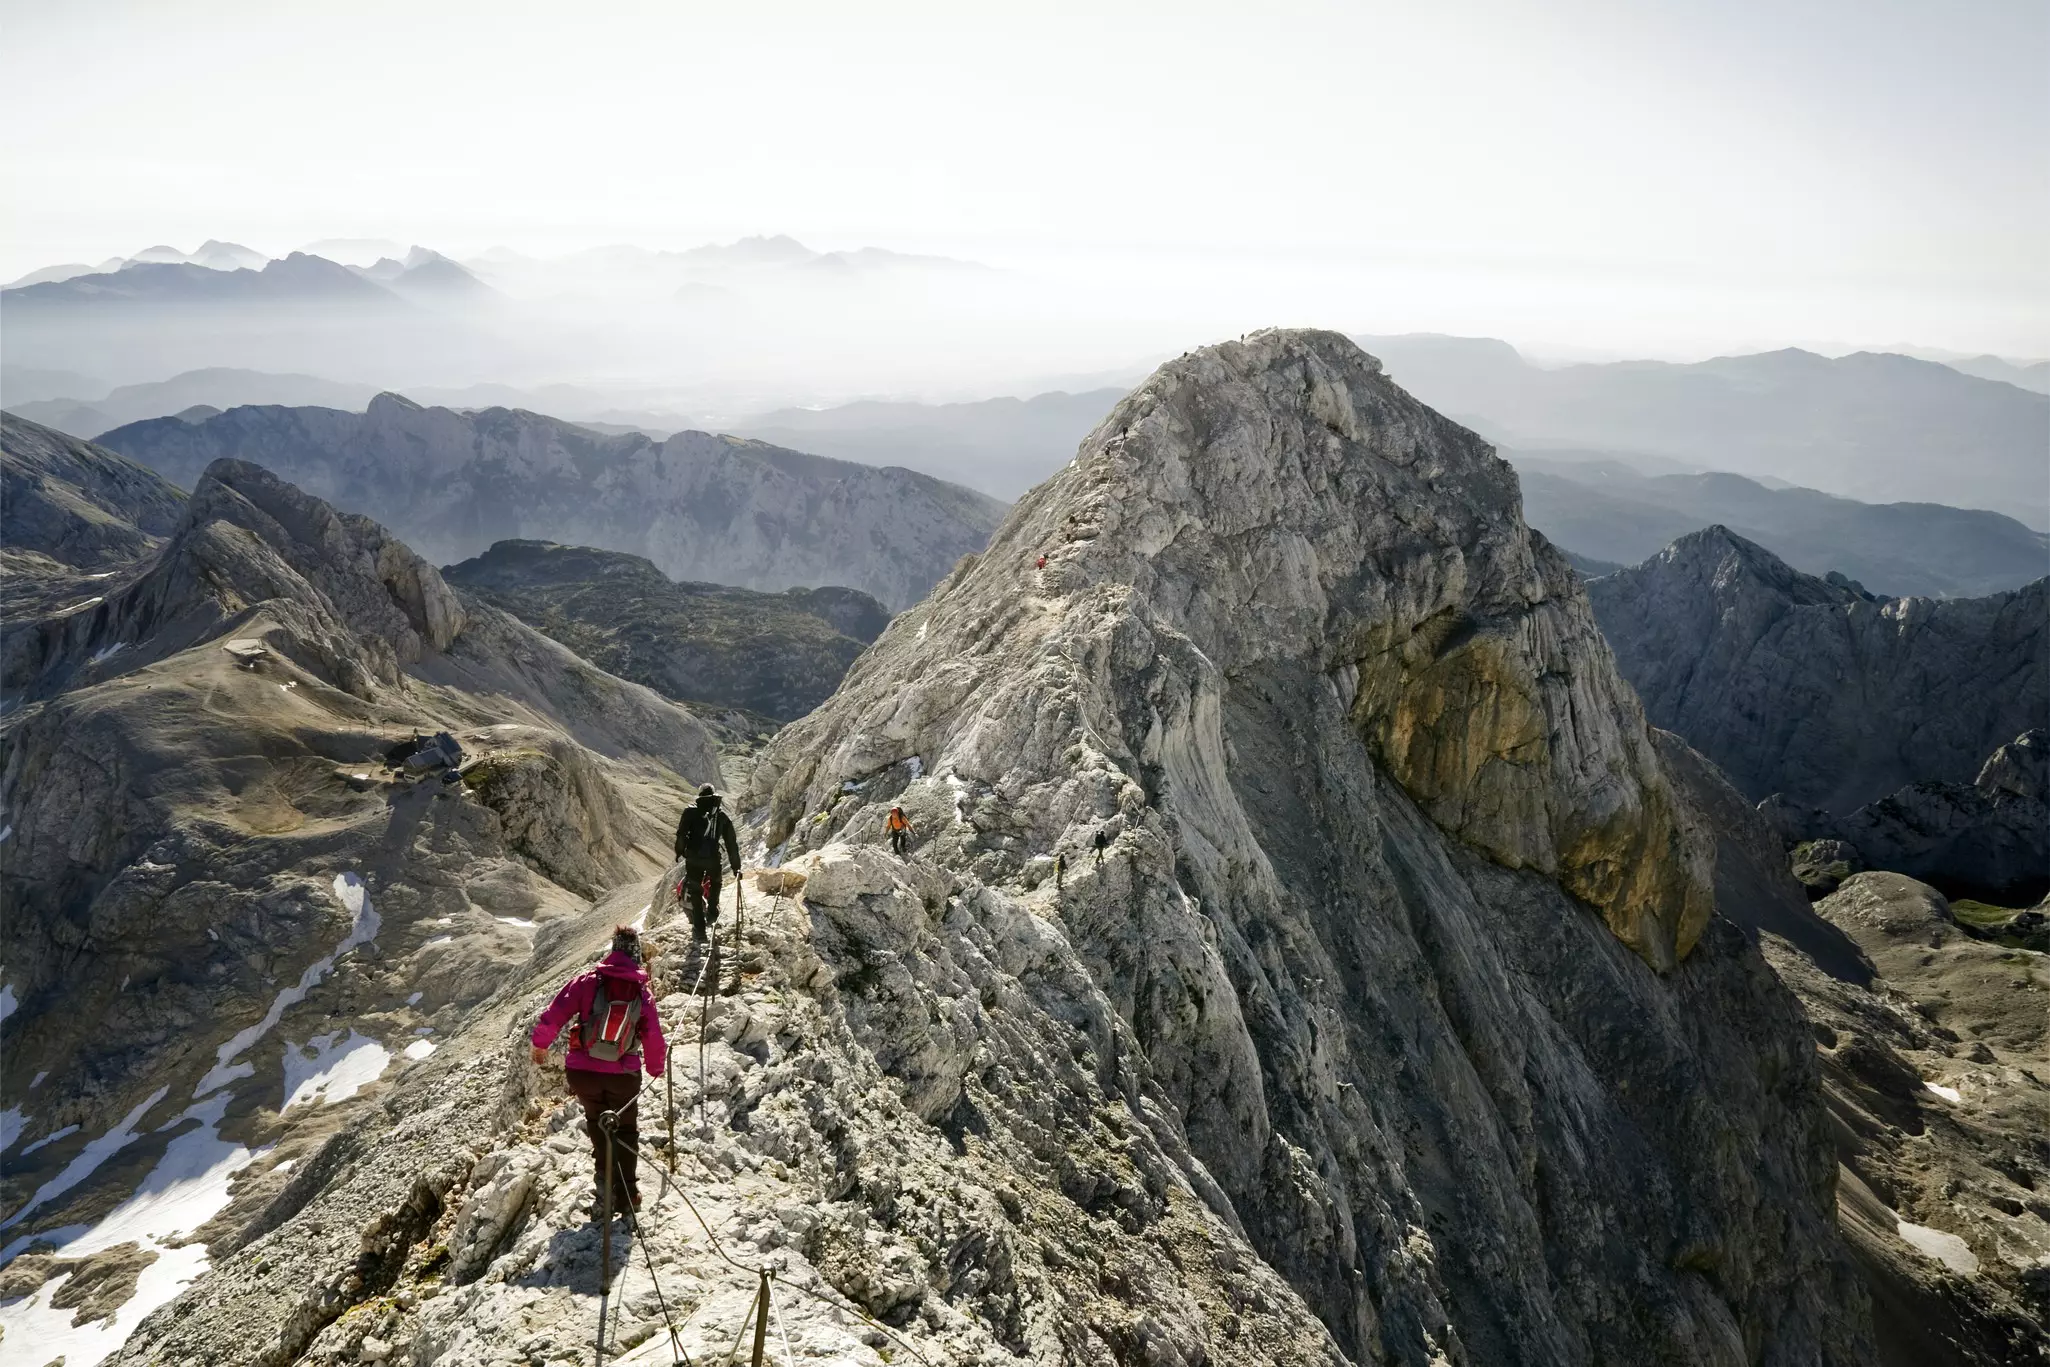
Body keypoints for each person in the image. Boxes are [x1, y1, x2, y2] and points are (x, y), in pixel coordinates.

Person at [531, 925, 667, 1215]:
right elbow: (653, 1036)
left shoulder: (587, 982)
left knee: (597, 1123)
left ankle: (603, 1183)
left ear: (613, 951)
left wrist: (539, 1045)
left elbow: (556, 1013)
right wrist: (656, 1068)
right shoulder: (642, 994)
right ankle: (628, 1194)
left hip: (583, 1072)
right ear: (637, 956)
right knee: (626, 1131)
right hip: (624, 1076)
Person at [674, 784, 742, 941]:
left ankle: (699, 926)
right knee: (716, 883)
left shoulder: (690, 812)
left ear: (699, 796)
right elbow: (731, 842)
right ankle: (712, 911)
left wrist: (679, 852)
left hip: (693, 859)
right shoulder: (721, 816)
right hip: (713, 858)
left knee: (696, 890)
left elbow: (681, 835)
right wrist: (736, 867)